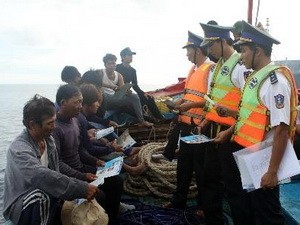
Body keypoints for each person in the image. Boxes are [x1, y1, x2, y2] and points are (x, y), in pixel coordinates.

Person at [216, 21, 298, 225]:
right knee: (249, 207)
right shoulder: (255, 77)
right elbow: (249, 115)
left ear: (258, 51)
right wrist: (228, 132)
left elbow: (281, 129)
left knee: (267, 213)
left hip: (264, 160)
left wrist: (271, 172)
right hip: (250, 155)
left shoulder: (275, 81)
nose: (240, 55)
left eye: (243, 50)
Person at [3, 95, 99, 225]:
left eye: (54, 121)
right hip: (22, 204)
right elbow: (40, 176)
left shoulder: (49, 140)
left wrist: (80, 184)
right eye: (50, 123)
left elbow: (55, 172)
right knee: (40, 196)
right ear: (32, 124)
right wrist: (81, 188)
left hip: (47, 197)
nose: (54, 126)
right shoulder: (19, 149)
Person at [198, 22, 252, 225]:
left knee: (234, 185)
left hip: (232, 134)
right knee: (209, 177)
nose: (208, 50)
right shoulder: (217, 66)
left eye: (211, 45)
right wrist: (204, 122)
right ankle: (214, 220)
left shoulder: (240, 67)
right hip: (213, 130)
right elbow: (213, 99)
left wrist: (229, 131)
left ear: (222, 41)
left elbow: (248, 107)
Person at [159, 31, 214, 215]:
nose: (187, 54)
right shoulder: (193, 70)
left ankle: (202, 206)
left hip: (199, 127)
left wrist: (199, 116)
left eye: (188, 50)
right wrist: (176, 104)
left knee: (201, 169)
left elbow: (212, 100)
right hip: (185, 125)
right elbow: (188, 94)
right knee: (183, 166)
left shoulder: (211, 69)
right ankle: (178, 201)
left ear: (197, 50)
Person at [53, 84, 125, 225]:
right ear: (63, 103)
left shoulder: (75, 121)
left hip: (82, 168)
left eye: (81, 101)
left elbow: (80, 150)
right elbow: (58, 163)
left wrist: (96, 162)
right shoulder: (56, 128)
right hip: (70, 176)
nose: (80, 106)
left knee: (117, 181)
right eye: (77, 102)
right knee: (101, 195)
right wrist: (82, 176)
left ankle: (110, 219)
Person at [79, 83, 147, 175]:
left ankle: (129, 152)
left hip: (85, 149)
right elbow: (90, 149)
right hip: (82, 160)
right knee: (102, 151)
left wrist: (101, 136)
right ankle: (129, 165)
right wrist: (110, 148)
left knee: (105, 136)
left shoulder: (81, 117)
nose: (99, 104)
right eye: (97, 101)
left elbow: (89, 125)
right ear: (88, 103)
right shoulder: (80, 120)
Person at [98, 53, 153, 127]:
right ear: (105, 65)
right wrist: (110, 86)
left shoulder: (119, 75)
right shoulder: (100, 72)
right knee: (103, 94)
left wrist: (126, 91)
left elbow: (121, 89)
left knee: (134, 96)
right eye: (109, 64)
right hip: (103, 99)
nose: (111, 65)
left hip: (114, 98)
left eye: (113, 63)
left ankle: (142, 121)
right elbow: (95, 84)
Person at [116, 47, 163, 121]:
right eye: (129, 55)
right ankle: (148, 119)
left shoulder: (132, 70)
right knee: (134, 101)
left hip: (128, 93)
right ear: (122, 57)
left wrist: (143, 93)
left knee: (148, 98)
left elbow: (135, 86)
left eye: (132, 55)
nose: (131, 57)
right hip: (119, 94)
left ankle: (160, 118)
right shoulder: (117, 68)